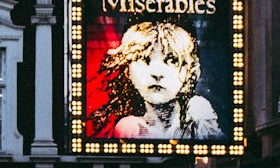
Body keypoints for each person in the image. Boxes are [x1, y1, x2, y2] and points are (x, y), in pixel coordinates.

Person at [89, 19, 223, 142]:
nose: (157, 73)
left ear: (190, 70)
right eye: (145, 59)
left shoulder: (198, 114)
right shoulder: (128, 129)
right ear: (128, 69)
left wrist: (205, 125)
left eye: (172, 60)